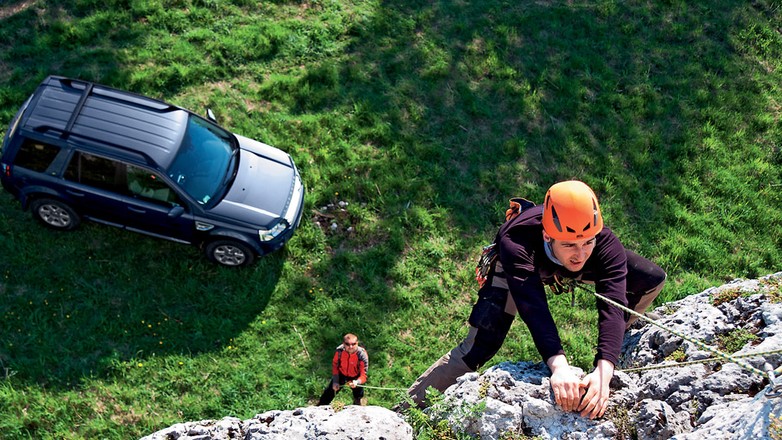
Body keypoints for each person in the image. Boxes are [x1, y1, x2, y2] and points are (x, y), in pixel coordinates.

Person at [405, 180, 666, 419]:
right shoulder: (516, 241)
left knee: (651, 279)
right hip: (516, 268)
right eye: (569, 245)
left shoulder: (603, 242)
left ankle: (621, 334)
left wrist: (604, 369)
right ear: (547, 235)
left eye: (588, 243)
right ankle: (408, 408)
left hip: (553, 261)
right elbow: (534, 309)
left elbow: (612, 303)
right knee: (481, 344)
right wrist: (559, 367)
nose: (580, 254)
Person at [318, 333, 369, 406]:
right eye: (347, 344)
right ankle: (320, 406)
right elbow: (335, 366)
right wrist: (335, 381)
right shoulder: (339, 351)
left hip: (356, 376)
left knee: (358, 394)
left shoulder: (361, 355)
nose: (350, 347)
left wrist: (357, 382)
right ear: (343, 344)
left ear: (357, 343)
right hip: (341, 374)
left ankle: (358, 403)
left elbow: (363, 375)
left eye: (353, 344)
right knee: (329, 393)